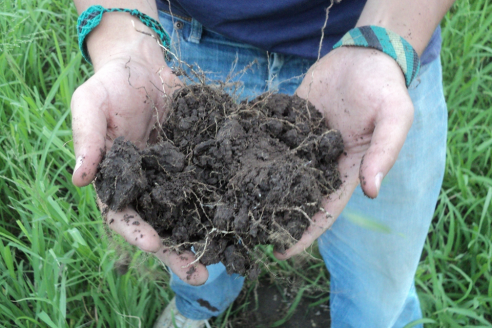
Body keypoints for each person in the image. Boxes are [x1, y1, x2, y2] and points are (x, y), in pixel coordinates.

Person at [71, 0, 454, 327]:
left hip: (380, 40)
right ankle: (197, 309)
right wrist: (122, 41)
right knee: (191, 242)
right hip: (185, 41)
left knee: (380, 276)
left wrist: (385, 40)